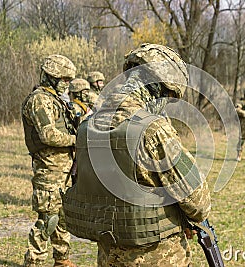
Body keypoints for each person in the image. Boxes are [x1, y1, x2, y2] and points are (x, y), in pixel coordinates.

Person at [62, 43, 211, 266]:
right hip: (157, 257)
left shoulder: (88, 126)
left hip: (109, 256)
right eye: (169, 97)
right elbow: (198, 204)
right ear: (160, 88)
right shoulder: (152, 129)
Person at [21, 54, 78, 267]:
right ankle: (34, 262)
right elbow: (48, 135)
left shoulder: (56, 100)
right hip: (49, 170)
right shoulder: (40, 100)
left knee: (63, 218)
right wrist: (76, 140)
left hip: (63, 170)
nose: (67, 84)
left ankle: (62, 259)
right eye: (64, 79)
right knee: (48, 219)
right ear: (51, 77)